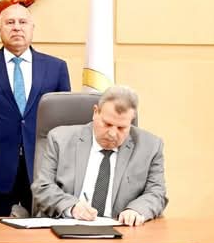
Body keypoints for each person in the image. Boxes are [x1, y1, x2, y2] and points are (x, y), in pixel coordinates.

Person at [0, 3, 71, 217]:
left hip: (44, 170)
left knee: (43, 233)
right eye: (10, 22)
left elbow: (65, 126)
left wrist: (66, 174)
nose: (17, 27)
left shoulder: (56, 68)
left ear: (32, 28)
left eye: (23, 22)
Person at [31, 85, 168, 226]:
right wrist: (71, 207)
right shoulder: (60, 139)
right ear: (95, 112)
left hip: (121, 230)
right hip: (67, 226)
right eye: (107, 124)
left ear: (131, 121)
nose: (112, 134)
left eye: (121, 128)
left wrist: (136, 210)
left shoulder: (150, 146)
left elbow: (156, 193)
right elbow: (42, 187)